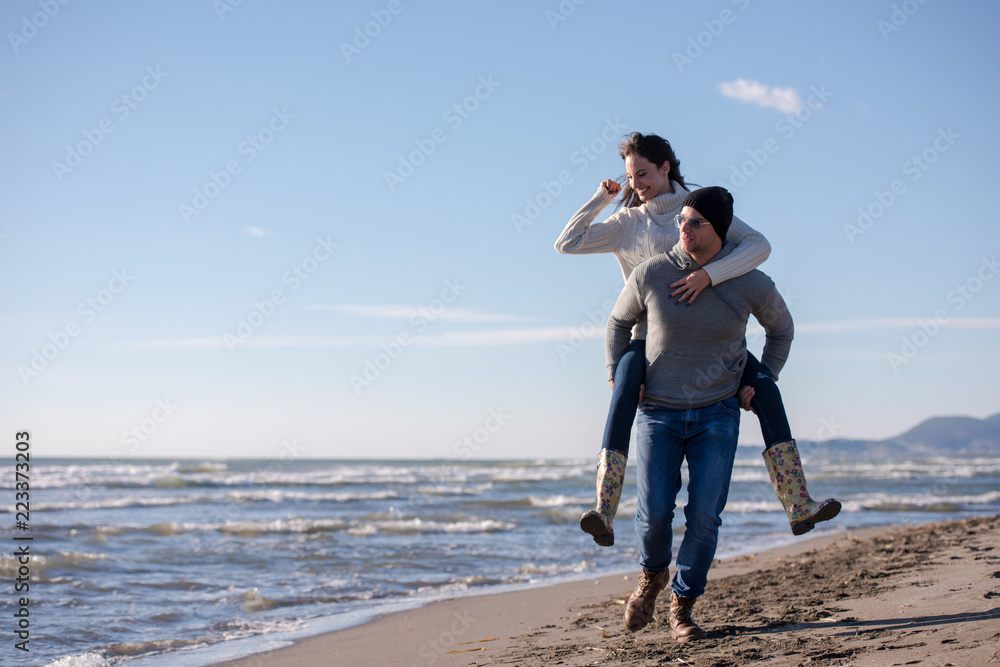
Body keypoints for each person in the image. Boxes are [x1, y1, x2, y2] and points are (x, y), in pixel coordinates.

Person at [554, 132, 838, 543]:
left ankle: (798, 503)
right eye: (631, 176)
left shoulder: (699, 206)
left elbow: (758, 245)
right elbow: (568, 243)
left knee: (768, 391)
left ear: (666, 166)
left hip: (712, 340)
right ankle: (604, 509)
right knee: (620, 395)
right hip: (648, 337)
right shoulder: (628, 222)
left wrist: (709, 276)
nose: (637, 184)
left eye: (644, 173)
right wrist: (601, 199)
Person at [606, 186, 793, 639]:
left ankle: (682, 607)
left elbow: (781, 330)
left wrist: (760, 381)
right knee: (653, 515)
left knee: (705, 516)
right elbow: (618, 322)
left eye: (695, 222)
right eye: (682, 220)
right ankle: (652, 577)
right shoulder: (653, 273)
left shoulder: (750, 282)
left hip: (718, 413)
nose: (683, 229)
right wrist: (620, 377)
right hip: (658, 414)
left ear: (719, 230)